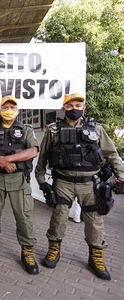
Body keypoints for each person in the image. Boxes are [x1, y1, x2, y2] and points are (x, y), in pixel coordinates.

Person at [35, 93, 124, 280]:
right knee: (58, 219)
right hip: (63, 182)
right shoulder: (53, 130)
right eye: (69, 105)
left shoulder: (97, 129)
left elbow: (112, 154)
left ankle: (96, 257)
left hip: (90, 184)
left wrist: (121, 176)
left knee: (95, 222)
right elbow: (42, 158)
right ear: (63, 109)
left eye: (78, 104)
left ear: (84, 107)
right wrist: (42, 182)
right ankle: (54, 250)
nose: (74, 108)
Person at [0, 95, 39, 275]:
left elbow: (33, 151)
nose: (9, 110)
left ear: (17, 111)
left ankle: (27, 251)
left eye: (12, 107)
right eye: (5, 107)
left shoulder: (26, 129)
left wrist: (8, 159)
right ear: (0, 110)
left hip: (19, 178)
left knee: (23, 216)